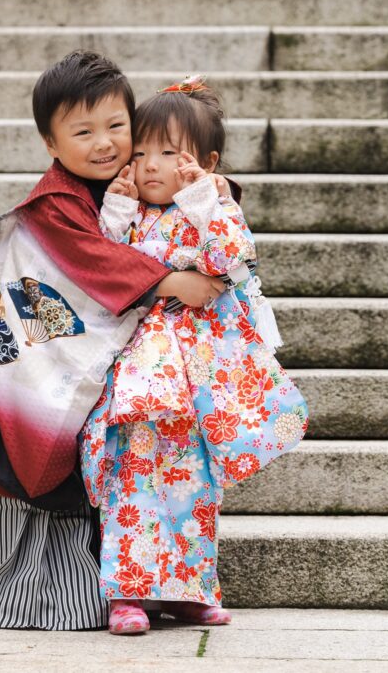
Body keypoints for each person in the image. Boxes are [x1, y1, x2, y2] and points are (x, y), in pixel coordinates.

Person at [0, 52, 226, 630]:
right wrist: (173, 281)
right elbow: (92, 262)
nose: (104, 144)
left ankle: (142, 585)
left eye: (116, 127)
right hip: (31, 365)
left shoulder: (129, 186)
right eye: (83, 132)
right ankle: (32, 593)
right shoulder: (56, 202)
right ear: (52, 144)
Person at [78, 75, 311, 635]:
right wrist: (114, 213)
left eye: (168, 153)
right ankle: (128, 593)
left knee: (193, 481)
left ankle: (189, 590)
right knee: (132, 478)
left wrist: (207, 199)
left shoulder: (209, 214)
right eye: (140, 153)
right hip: (137, 371)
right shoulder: (129, 215)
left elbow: (234, 261)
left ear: (205, 162)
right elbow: (105, 268)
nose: (151, 165)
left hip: (194, 376)